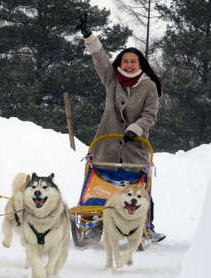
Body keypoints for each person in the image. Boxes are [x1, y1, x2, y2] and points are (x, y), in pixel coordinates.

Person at [76, 14, 165, 243]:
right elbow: (101, 59)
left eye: (133, 61)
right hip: (106, 147)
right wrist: (89, 36)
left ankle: (146, 224)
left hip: (134, 151)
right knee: (99, 186)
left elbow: (150, 115)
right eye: (125, 61)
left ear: (140, 64)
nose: (128, 64)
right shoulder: (112, 79)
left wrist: (136, 128)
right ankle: (93, 223)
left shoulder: (149, 87)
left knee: (137, 189)